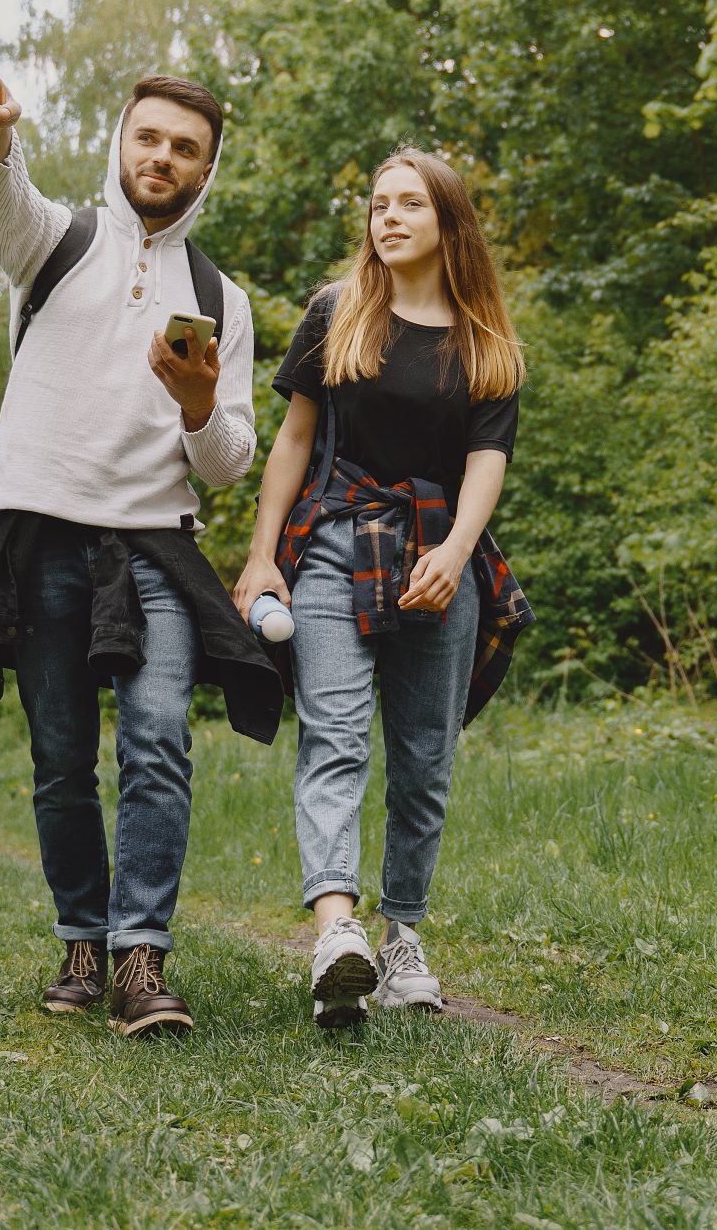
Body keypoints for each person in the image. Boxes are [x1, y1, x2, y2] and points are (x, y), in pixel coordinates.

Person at [0, 57, 279, 1039]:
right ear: (120, 140)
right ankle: (81, 938)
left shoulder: (221, 298)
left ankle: (138, 960)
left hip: (155, 546)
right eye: (149, 137)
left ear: (207, 169)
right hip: (40, 531)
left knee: (158, 739)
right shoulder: (60, 241)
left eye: (185, 148)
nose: (162, 157)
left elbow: (224, 464)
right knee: (60, 758)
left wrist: (201, 403)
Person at [233, 148, 532, 1028]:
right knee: (334, 738)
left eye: (409, 203)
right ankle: (336, 932)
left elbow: (488, 461)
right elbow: (293, 440)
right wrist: (262, 557)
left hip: (440, 562)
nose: (388, 217)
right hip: (333, 549)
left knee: (426, 762)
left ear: (448, 223)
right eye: (377, 204)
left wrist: (456, 551)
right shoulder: (337, 311)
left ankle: (401, 935)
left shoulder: (487, 343)